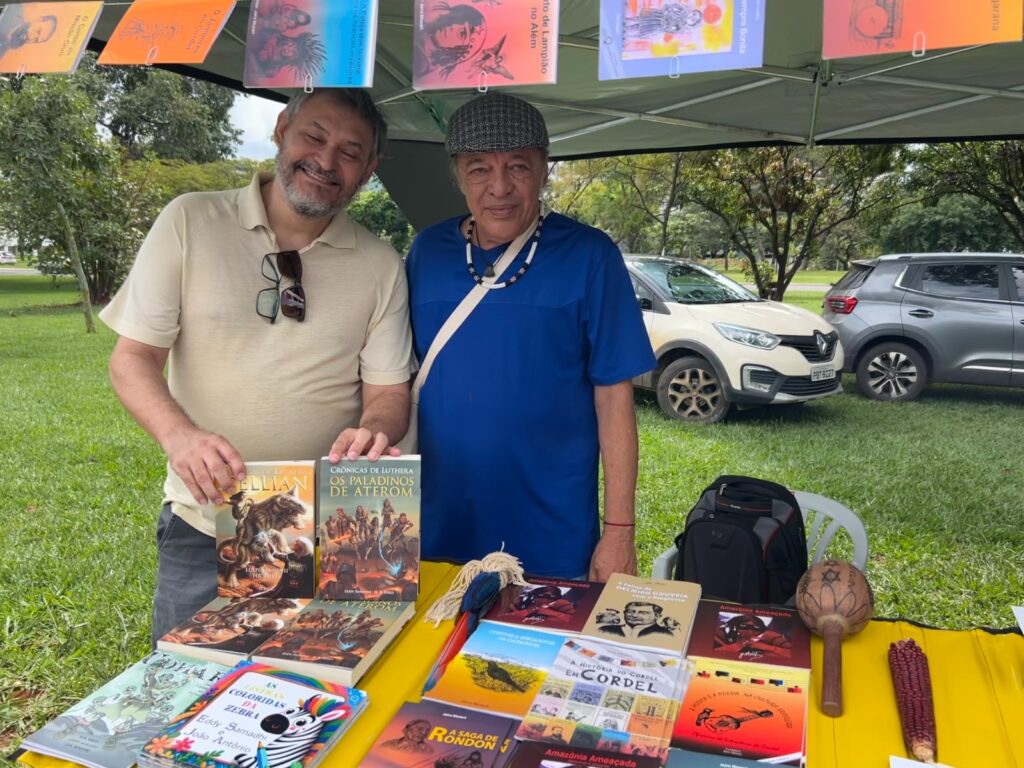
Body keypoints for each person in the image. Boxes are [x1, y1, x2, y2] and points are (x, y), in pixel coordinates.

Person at [101, 89, 412, 643]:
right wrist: (182, 438)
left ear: (370, 169)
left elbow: (388, 392)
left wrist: (373, 433)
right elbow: (132, 359)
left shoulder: (380, 263)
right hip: (208, 518)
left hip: (328, 527)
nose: (325, 160)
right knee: (185, 694)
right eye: (314, 137)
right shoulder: (190, 220)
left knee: (315, 693)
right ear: (282, 130)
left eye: (349, 151)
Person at [405, 92, 655, 581]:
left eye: (517, 166)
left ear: (544, 168)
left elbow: (614, 398)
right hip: (437, 519)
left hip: (551, 525)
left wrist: (620, 532)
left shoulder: (590, 256)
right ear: (457, 175)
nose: (500, 187)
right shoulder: (426, 253)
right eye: (479, 169)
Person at [597, 601, 678, 639]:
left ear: (657, 616)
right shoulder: (605, 629)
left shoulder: (665, 635)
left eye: (643, 613)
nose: (634, 615)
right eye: (630, 611)